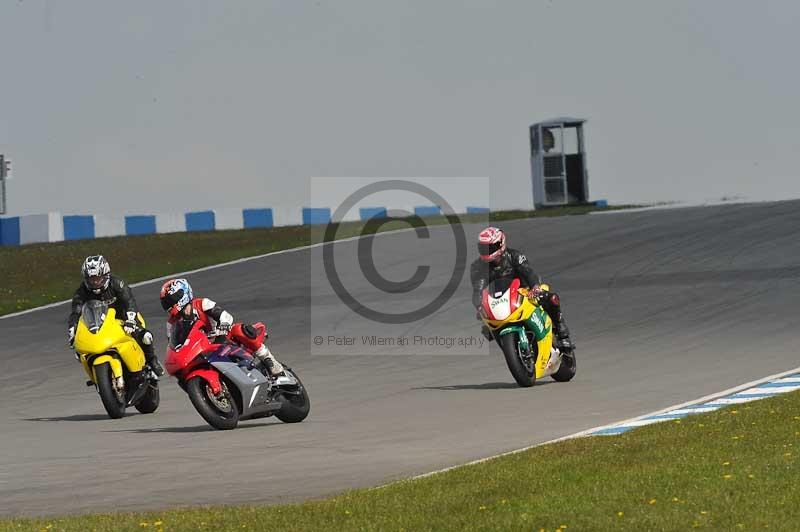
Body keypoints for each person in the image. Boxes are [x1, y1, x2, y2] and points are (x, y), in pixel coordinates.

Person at [469, 227, 574, 352]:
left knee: (550, 298)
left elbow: (529, 272)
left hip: (525, 291)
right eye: (483, 248)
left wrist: (535, 287)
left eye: (490, 248)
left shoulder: (514, 256)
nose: (486, 251)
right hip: (500, 299)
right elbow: (478, 289)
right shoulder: (477, 267)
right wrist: (479, 305)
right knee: (486, 328)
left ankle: (562, 333)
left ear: (500, 244)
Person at [159, 278, 285, 377]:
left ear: (181, 295)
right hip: (200, 351)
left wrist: (222, 329)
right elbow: (174, 346)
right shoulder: (171, 324)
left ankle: (270, 361)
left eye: (170, 300)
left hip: (222, 338)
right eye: (166, 303)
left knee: (239, 329)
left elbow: (225, 316)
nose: (169, 305)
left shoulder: (202, 304)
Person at [67, 255, 165, 376]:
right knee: (80, 351)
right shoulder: (81, 292)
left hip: (123, 317)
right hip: (98, 322)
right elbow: (76, 312)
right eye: (92, 279)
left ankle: (152, 361)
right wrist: (72, 330)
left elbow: (129, 302)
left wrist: (131, 320)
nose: (95, 282)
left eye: (98, 278)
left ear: (106, 275)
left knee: (146, 336)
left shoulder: (117, 284)